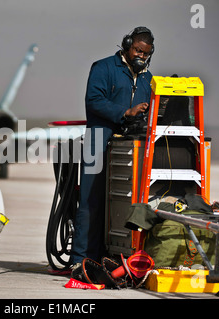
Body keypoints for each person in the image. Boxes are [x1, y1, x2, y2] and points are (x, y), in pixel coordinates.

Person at [71, 26, 155, 273]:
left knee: (123, 203)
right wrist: (124, 112)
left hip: (130, 144)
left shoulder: (149, 78)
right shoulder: (104, 67)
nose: (141, 56)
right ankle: (81, 258)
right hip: (99, 137)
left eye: (145, 53)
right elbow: (94, 101)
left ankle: (112, 256)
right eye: (137, 50)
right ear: (127, 45)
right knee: (90, 200)